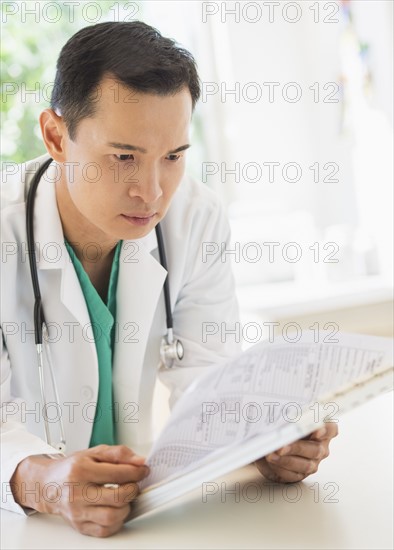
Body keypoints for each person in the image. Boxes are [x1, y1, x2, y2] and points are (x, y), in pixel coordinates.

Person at [0, 21, 338, 538]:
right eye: (123, 158)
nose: (153, 192)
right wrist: (36, 479)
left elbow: (208, 376)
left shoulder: (194, 218)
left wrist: (261, 440)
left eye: (174, 157)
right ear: (55, 136)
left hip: (138, 526)